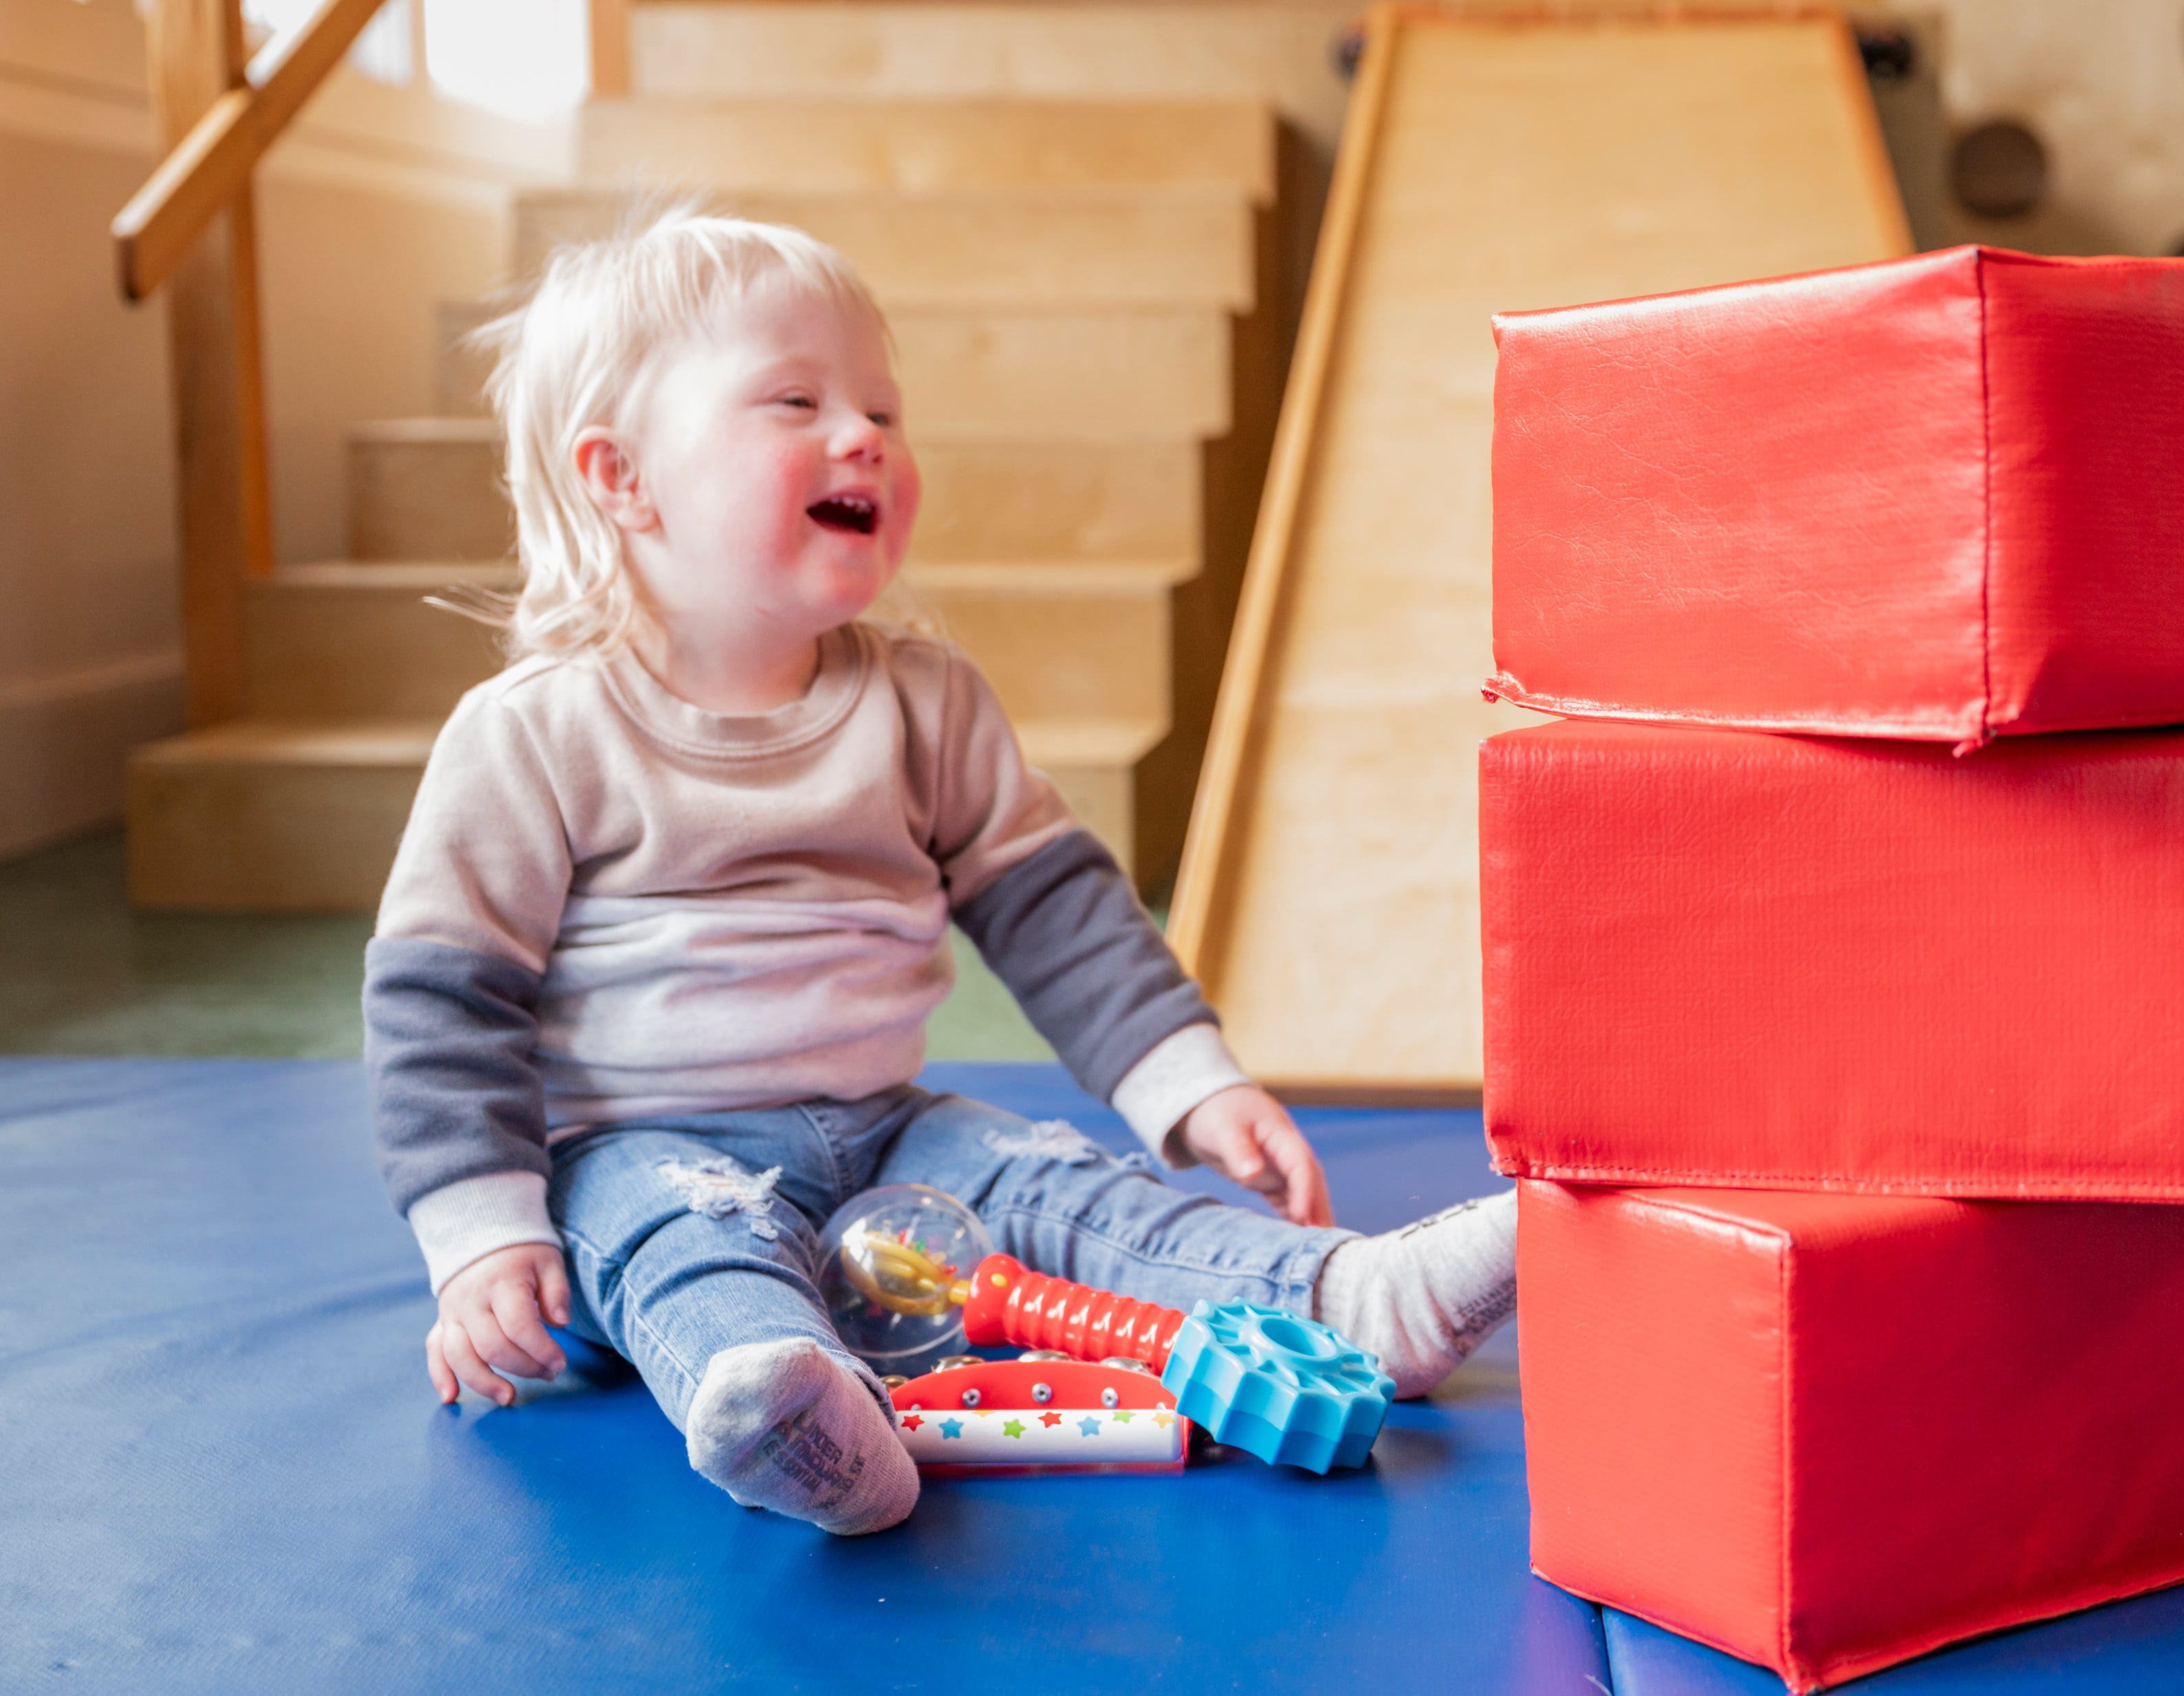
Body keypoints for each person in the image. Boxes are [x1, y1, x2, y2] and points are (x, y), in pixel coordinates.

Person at [363, 209, 1516, 1536]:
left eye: (884, 411)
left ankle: (1340, 1300)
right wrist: (482, 1233)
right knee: (676, 1253)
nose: (864, 436)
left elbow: (1057, 908)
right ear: (624, 478)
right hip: (645, 1144)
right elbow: (445, 1003)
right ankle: (796, 1417)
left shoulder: (923, 703)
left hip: (891, 1128)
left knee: (1065, 1190)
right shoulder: (535, 734)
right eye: (796, 399)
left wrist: (1192, 1079)